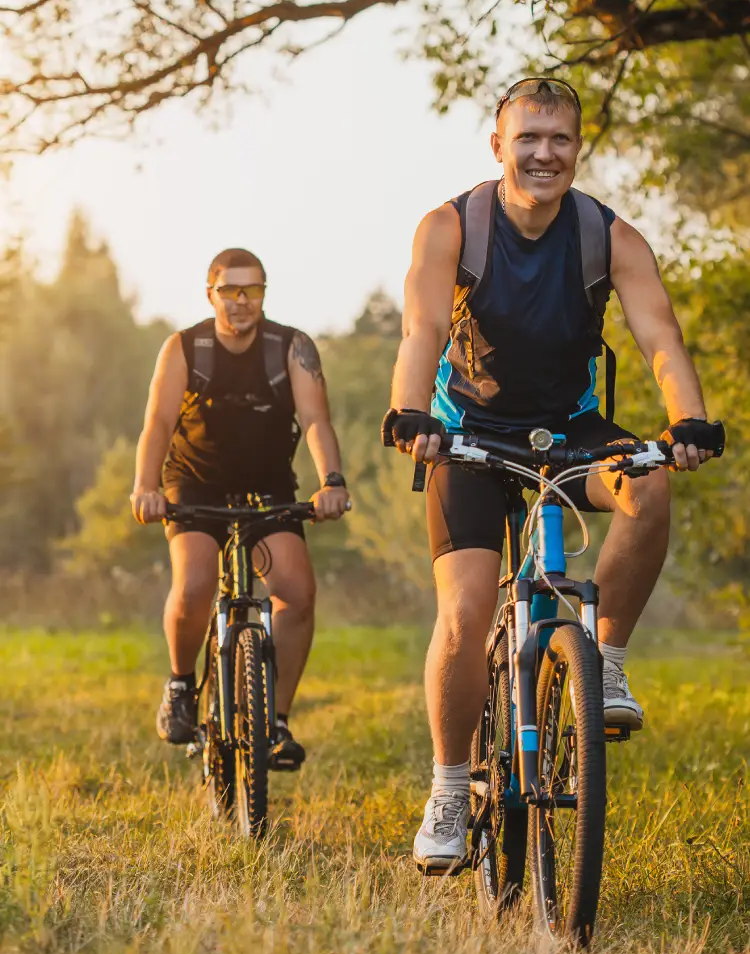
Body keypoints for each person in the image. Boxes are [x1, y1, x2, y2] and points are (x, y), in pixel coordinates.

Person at [382, 78, 723, 872]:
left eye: (559, 139)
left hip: (569, 429)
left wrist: (688, 420)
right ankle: (450, 786)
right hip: (466, 434)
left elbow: (661, 338)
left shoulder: (609, 237)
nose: (544, 153)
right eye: (527, 138)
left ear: (577, 148)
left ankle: (601, 665)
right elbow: (423, 326)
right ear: (498, 145)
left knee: (649, 486)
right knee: (467, 614)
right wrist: (412, 413)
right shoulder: (451, 227)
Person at [131, 247, 349, 767]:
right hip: (194, 482)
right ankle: (182, 684)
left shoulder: (290, 348)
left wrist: (331, 481)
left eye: (253, 290)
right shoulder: (184, 348)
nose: (242, 300)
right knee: (195, 584)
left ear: (264, 295)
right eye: (230, 290)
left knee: (296, 593)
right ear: (211, 294)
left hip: (268, 486)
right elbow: (158, 424)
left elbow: (316, 420)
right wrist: (145, 485)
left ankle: (275, 722)